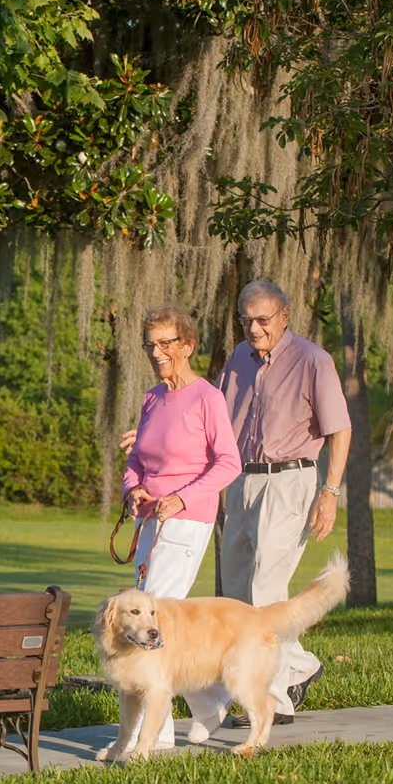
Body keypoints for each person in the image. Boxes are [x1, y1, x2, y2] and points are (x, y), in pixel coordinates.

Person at [216, 279, 351, 727]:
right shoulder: (237, 358)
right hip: (240, 481)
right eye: (246, 320)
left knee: (265, 591)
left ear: (285, 316)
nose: (254, 329)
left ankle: (272, 699)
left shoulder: (314, 359)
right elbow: (215, 421)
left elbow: (340, 430)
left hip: (290, 480)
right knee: (236, 596)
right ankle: (299, 666)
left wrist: (329, 493)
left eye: (263, 320)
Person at [118, 305, 242, 750]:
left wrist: (181, 496)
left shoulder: (207, 396)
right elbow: (137, 460)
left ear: (187, 345)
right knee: (162, 622)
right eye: (150, 344)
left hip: (188, 520)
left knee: (156, 622)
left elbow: (230, 462)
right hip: (151, 521)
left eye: (166, 343)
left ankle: (157, 735)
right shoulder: (153, 398)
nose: (157, 352)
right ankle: (211, 705)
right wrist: (132, 490)